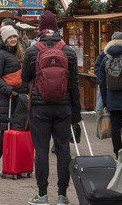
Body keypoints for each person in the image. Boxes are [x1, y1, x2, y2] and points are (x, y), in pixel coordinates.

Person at [20, 11, 80, 205]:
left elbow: (24, 79)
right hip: (63, 108)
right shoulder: (68, 51)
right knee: (63, 149)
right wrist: (76, 114)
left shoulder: (32, 50)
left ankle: (42, 194)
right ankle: (62, 195)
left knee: (41, 151)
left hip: (39, 108)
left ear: (40, 28)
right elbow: (74, 86)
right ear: (57, 28)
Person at [0, 24, 27, 174]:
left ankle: (12, 164)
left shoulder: (21, 52)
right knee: (6, 131)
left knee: (17, 131)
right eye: (10, 37)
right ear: (4, 39)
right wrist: (10, 91)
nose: (13, 39)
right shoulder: (0, 55)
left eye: (14, 36)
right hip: (7, 98)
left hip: (20, 98)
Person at [93, 31, 122, 157]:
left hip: (112, 98)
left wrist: (105, 100)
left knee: (115, 127)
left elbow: (102, 82)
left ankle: (118, 153)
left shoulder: (105, 58)